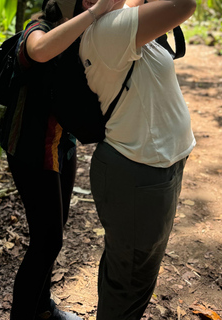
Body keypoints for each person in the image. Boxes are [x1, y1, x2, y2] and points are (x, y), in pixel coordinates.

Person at [78, 0, 197, 319]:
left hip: (151, 166)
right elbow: (183, 5)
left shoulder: (118, 24)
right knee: (132, 280)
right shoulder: (107, 30)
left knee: (129, 268)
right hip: (139, 172)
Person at [0, 0, 115, 319]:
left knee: (53, 234)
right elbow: (38, 51)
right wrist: (94, 13)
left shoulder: (83, 32)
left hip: (61, 144)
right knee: (47, 241)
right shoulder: (38, 28)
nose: (92, 3)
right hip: (29, 148)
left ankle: (43, 309)